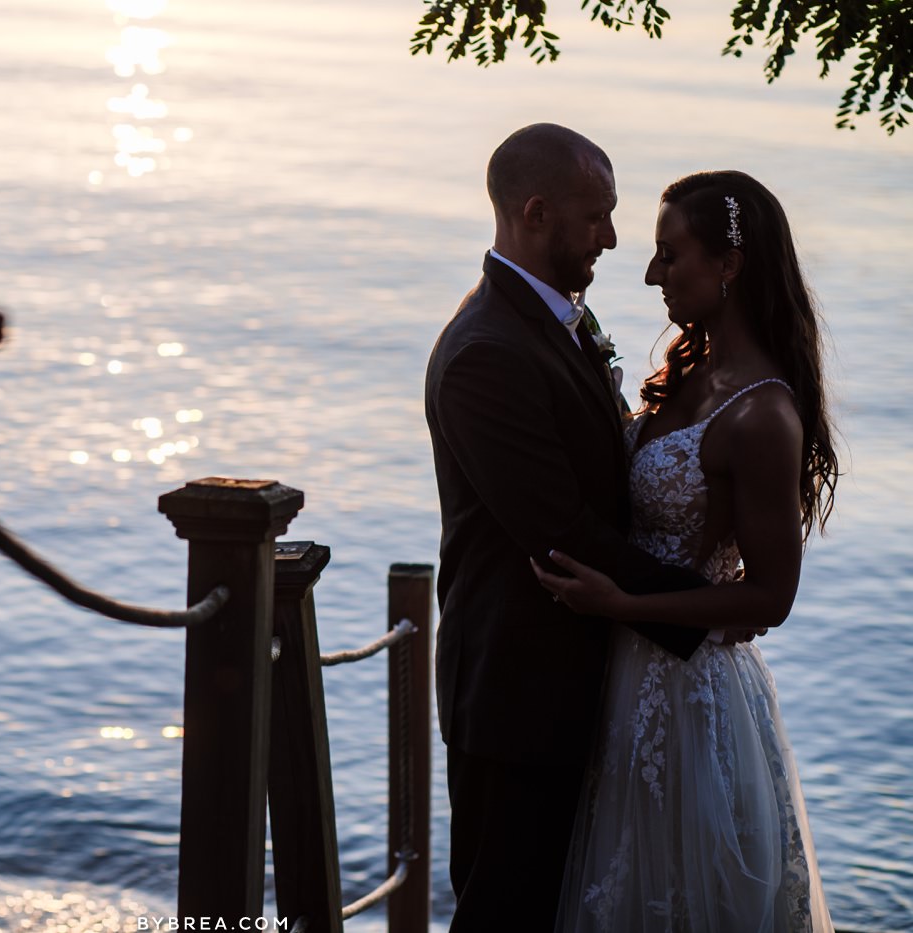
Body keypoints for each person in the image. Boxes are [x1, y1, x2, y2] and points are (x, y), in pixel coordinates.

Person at [424, 124, 714, 931]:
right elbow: (561, 531)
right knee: (505, 912)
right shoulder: (487, 350)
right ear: (537, 212)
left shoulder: (558, 320)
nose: (613, 239)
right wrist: (715, 605)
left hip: (582, 684)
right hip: (521, 693)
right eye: (597, 217)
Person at [534, 170, 838, 932]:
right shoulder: (690, 372)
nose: (649, 272)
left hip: (693, 693)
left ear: (729, 265)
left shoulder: (762, 413)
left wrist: (624, 604)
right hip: (623, 685)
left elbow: (771, 596)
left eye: (670, 255)